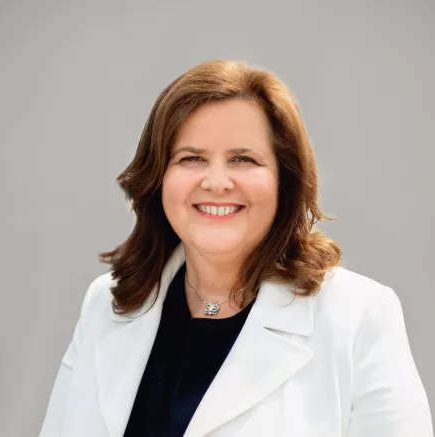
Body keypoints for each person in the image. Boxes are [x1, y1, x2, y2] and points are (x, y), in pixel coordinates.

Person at [39, 60, 433, 437]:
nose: (216, 182)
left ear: (285, 180)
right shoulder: (104, 305)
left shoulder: (359, 317)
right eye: (191, 158)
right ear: (158, 178)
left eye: (243, 159)